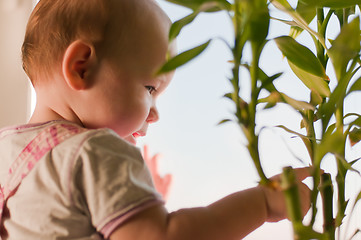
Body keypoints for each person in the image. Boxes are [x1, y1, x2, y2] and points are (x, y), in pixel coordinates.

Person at [0, 0, 311, 239]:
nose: (155, 113)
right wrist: (262, 204)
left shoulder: (5, 149)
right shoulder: (97, 151)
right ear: (82, 67)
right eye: (150, 88)